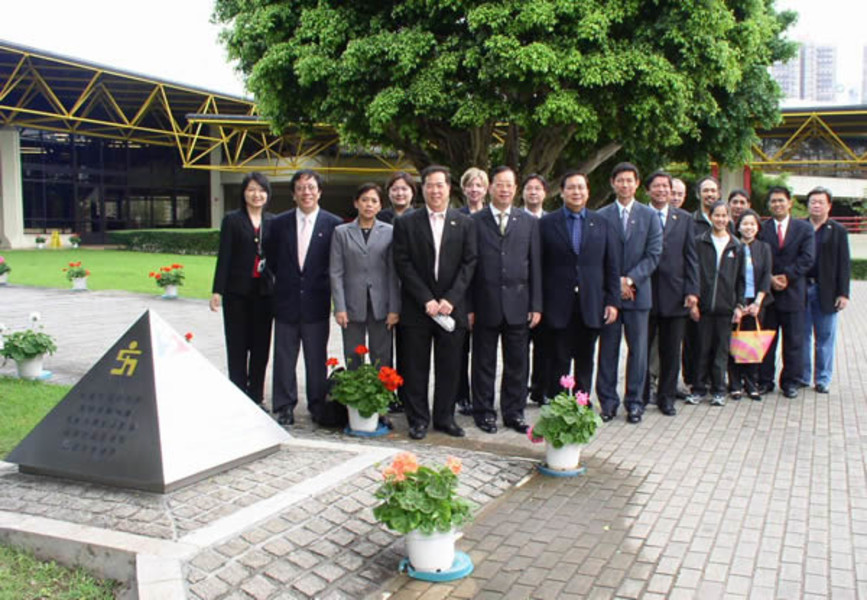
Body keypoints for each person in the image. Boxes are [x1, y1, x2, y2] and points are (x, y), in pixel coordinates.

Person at [392, 165, 478, 440]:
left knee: (450, 366)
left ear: (448, 188)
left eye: (440, 185)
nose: (435, 190)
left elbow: (470, 262)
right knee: (415, 367)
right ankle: (418, 419)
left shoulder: (464, 223)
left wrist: (450, 298)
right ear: (423, 188)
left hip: (452, 309)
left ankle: (444, 418)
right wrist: (426, 298)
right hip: (418, 309)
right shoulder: (407, 222)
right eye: (430, 185)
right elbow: (402, 262)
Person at [469, 166, 542, 434]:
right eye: (499, 184)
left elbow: (535, 265)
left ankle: (514, 412)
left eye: (509, 185)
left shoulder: (529, 222)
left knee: (517, 364)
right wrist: (468, 307)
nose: (504, 189)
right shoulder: (475, 222)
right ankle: (484, 412)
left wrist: (536, 305)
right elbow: (469, 266)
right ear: (490, 188)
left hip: (519, 304)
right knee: (483, 363)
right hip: (484, 303)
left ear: (515, 189)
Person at [266, 169, 342, 425]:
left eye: (311, 187)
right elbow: (272, 261)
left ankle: (317, 404)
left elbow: (335, 264)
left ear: (319, 192)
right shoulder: (279, 223)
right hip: (286, 301)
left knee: (315, 358)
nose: (306, 192)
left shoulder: (333, 224)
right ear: (293, 194)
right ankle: (284, 405)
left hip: (316, 302)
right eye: (300, 188)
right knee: (284, 357)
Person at [540, 171, 620, 402]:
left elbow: (612, 266)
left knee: (586, 360)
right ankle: (559, 406)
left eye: (581, 188)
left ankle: (582, 406)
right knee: (559, 359)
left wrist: (613, 301)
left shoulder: (601, 223)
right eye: (571, 188)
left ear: (588, 191)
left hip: (591, 303)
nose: (576, 192)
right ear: (562, 191)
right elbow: (539, 265)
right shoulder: (547, 224)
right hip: (557, 304)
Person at [596, 162, 662, 424]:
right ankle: (608, 403)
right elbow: (597, 256)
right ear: (613, 183)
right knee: (608, 350)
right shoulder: (601, 216)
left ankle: (635, 403)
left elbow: (654, 254)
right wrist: (616, 283)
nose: (625, 185)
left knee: (639, 352)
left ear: (637, 184)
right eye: (620, 180)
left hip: (639, 295)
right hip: (610, 297)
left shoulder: (649, 216)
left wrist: (631, 279)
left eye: (629, 180)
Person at [210, 172, 275, 407]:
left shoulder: (273, 221)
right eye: (252, 189)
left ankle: (256, 396)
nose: (257, 195)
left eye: (261, 190)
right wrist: (217, 290)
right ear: (244, 193)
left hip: (265, 293)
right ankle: (237, 394)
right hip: (237, 293)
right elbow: (224, 256)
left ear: (267, 194)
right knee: (237, 345)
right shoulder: (232, 220)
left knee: (261, 347)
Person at [644, 171, 698, 416]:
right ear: (647, 190)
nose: (662, 191)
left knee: (670, 350)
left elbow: (691, 257)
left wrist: (692, 290)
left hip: (675, 294)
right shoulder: (640, 215)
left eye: (666, 187)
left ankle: (666, 398)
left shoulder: (685, 219)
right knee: (641, 350)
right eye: (657, 187)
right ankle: (641, 394)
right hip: (643, 292)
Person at [330, 184, 400, 371]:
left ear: (380, 206)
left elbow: (394, 273)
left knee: (381, 354)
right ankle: (356, 398)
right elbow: (336, 272)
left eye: (374, 201)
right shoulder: (341, 232)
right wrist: (340, 307)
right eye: (364, 200)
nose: (369, 205)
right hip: (352, 304)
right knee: (353, 354)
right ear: (356, 203)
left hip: (381, 304)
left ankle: (382, 398)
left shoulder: (390, 232)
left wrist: (394, 308)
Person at [758, 186, 815, 398]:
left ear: (789, 203)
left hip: (794, 293)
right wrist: (770, 278)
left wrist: (787, 276)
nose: (777, 205)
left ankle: (790, 382)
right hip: (769, 294)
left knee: (793, 341)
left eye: (781, 201)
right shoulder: (762, 229)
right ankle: (764, 381)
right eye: (773, 201)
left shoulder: (804, 229)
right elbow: (757, 258)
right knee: (767, 341)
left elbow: (807, 258)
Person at [687, 201, 744, 406]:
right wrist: (693, 302)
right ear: (710, 217)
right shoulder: (699, 241)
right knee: (701, 349)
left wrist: (739, 305)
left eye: (724, 216)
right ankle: (698, 388)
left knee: (721, 351)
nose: (720, 219)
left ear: (729, 218)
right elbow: (692, 272)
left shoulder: (736, 246)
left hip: (725, 308)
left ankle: (719, 390)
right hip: (702, 307)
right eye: (716, 215)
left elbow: (741, 280)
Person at [802, 186, 850, 394]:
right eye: (813, 201)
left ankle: (822, 379)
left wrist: (843, 293)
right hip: (802, 289)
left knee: (825, 338)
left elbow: (844, 264)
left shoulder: (837, 231)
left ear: (829, 205)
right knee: (801, 337)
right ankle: (802, 377)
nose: (816, 205)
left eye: (821, 202)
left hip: (827, 292)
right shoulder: (800, 227)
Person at [454, 167, 489, 415]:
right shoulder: (456, 217)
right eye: (470, 185)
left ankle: (481, 396)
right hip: (464, 293)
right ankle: (461, 395)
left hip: (488, 291)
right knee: (461, 349)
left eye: (479, 185)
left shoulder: (492, 216)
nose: (474, 189)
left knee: (484, 352)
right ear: (464, 188)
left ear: (486, 189)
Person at [729, 209, 772, 401]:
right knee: (735, 343)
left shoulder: (764, 248)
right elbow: (731, 279)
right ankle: (735, 384)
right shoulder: (733, 247)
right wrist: (738, 304)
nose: (748, 227)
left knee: (752, 343)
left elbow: (765, 276)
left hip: (757, 302)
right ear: (738, 227)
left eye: (752, 224)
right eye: (745, 224)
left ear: (758, 227)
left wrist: (757, 302)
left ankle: (752, 384)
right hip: (736, 302)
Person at [522, 173, 551, 405]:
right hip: (519, 295)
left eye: (537, 188)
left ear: (545, 193)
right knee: (520, 349)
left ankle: (540, 389)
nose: (533, 192)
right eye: (529, 188)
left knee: (544, 348)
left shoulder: (551, 221)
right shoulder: (515, 219)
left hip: (547, 294)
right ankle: (519, 389)